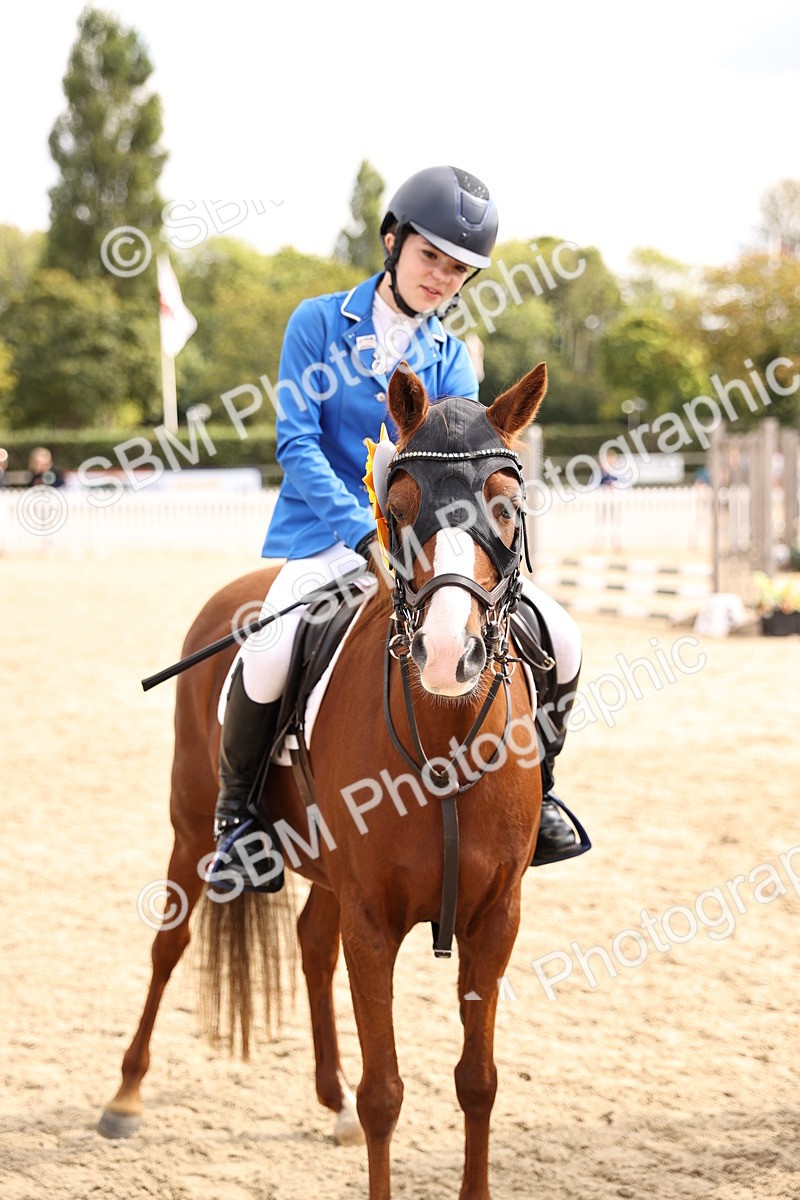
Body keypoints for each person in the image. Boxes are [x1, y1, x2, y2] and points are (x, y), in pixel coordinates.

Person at [209, 165, 588, 891]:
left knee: (562, 638)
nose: (442, 277)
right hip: (323, 536)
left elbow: (460, 472)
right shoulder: (317, 322)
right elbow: (295, 442)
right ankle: (239, 822)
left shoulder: (450, 356)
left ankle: (541, 794)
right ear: (393, 241)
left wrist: (427, 547)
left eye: (458, 269)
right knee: (267, 646)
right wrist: (362, 532)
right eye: (430, 257)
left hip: (420, 550)